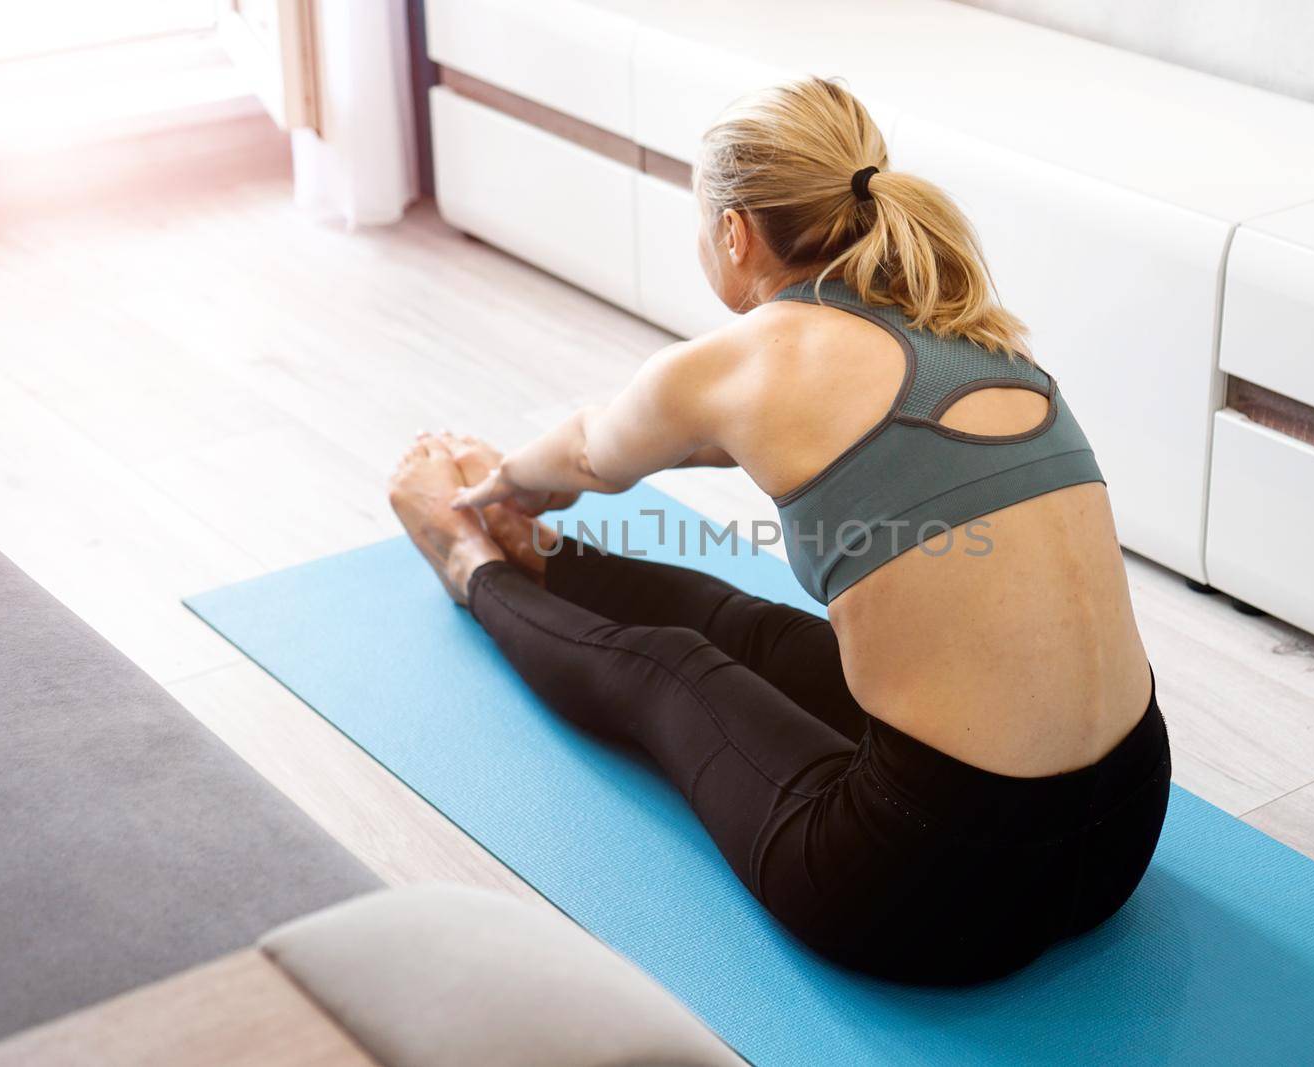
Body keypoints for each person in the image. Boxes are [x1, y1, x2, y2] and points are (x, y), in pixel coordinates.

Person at [387, 76, 1170, 985]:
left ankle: (469, 557)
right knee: (752, 630)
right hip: (1124, 826)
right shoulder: (978, 331)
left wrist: (494, 487)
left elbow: (589, 457)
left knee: (674, 669)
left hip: (937, 886)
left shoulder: (750, 360)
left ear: (734, 231)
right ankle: (544, 563)